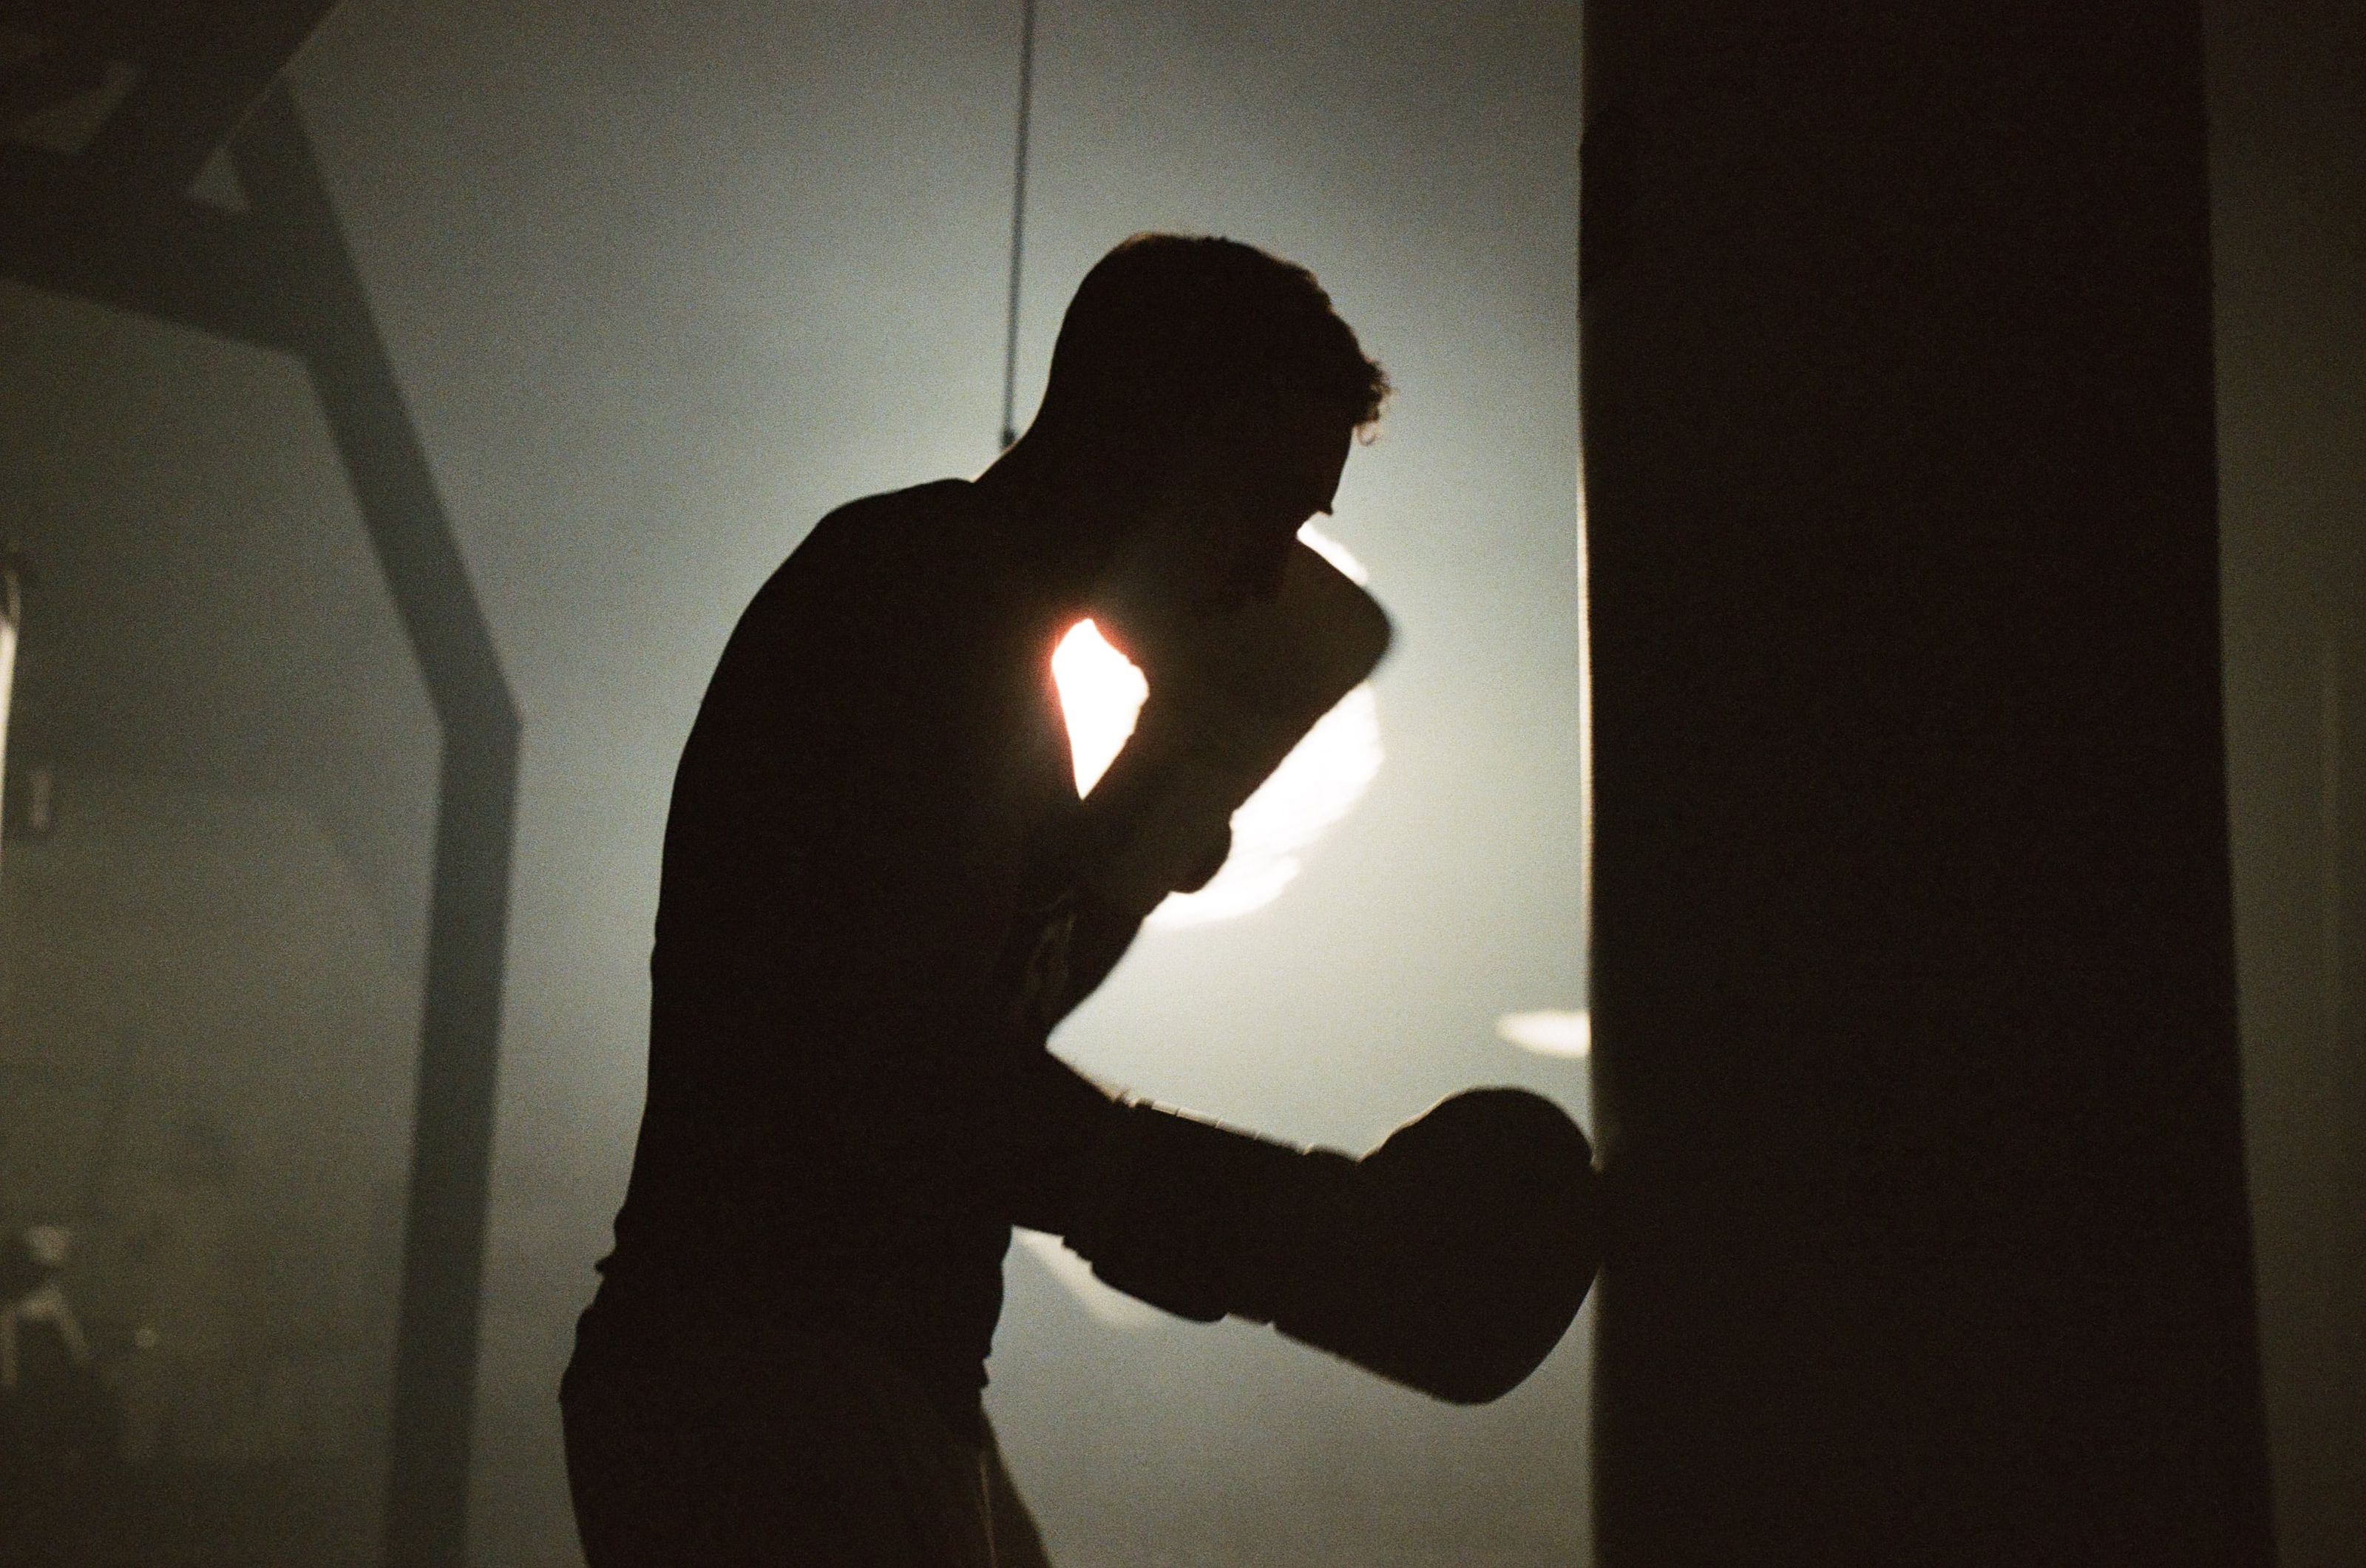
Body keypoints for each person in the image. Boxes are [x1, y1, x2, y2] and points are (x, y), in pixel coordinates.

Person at [563, 234, 1598, 1568]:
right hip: (770, 1370)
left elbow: (979, 1016)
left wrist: (1133, 841)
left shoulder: (989, 644)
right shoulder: (916, 604)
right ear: (1144, 437)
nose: (1268, 578)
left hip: (845, 1367)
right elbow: (894, 1068)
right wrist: (1286, 1235)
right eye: (1266, 509)